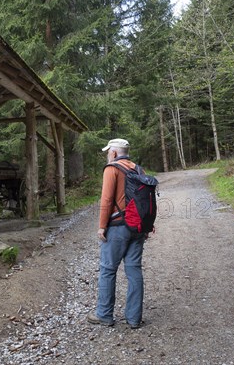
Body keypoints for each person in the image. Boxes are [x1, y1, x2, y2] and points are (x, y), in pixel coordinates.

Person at [87, 138, 145, 329]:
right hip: (137, 227)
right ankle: (134, 318)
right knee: (134, 270)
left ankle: (104, 314)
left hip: (117, 226)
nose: (107, 155)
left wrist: (102, 226)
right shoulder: (138, 169)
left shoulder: (112, 169)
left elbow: (106, 199)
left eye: (107, 152)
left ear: (113, 153)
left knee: (108, 270)